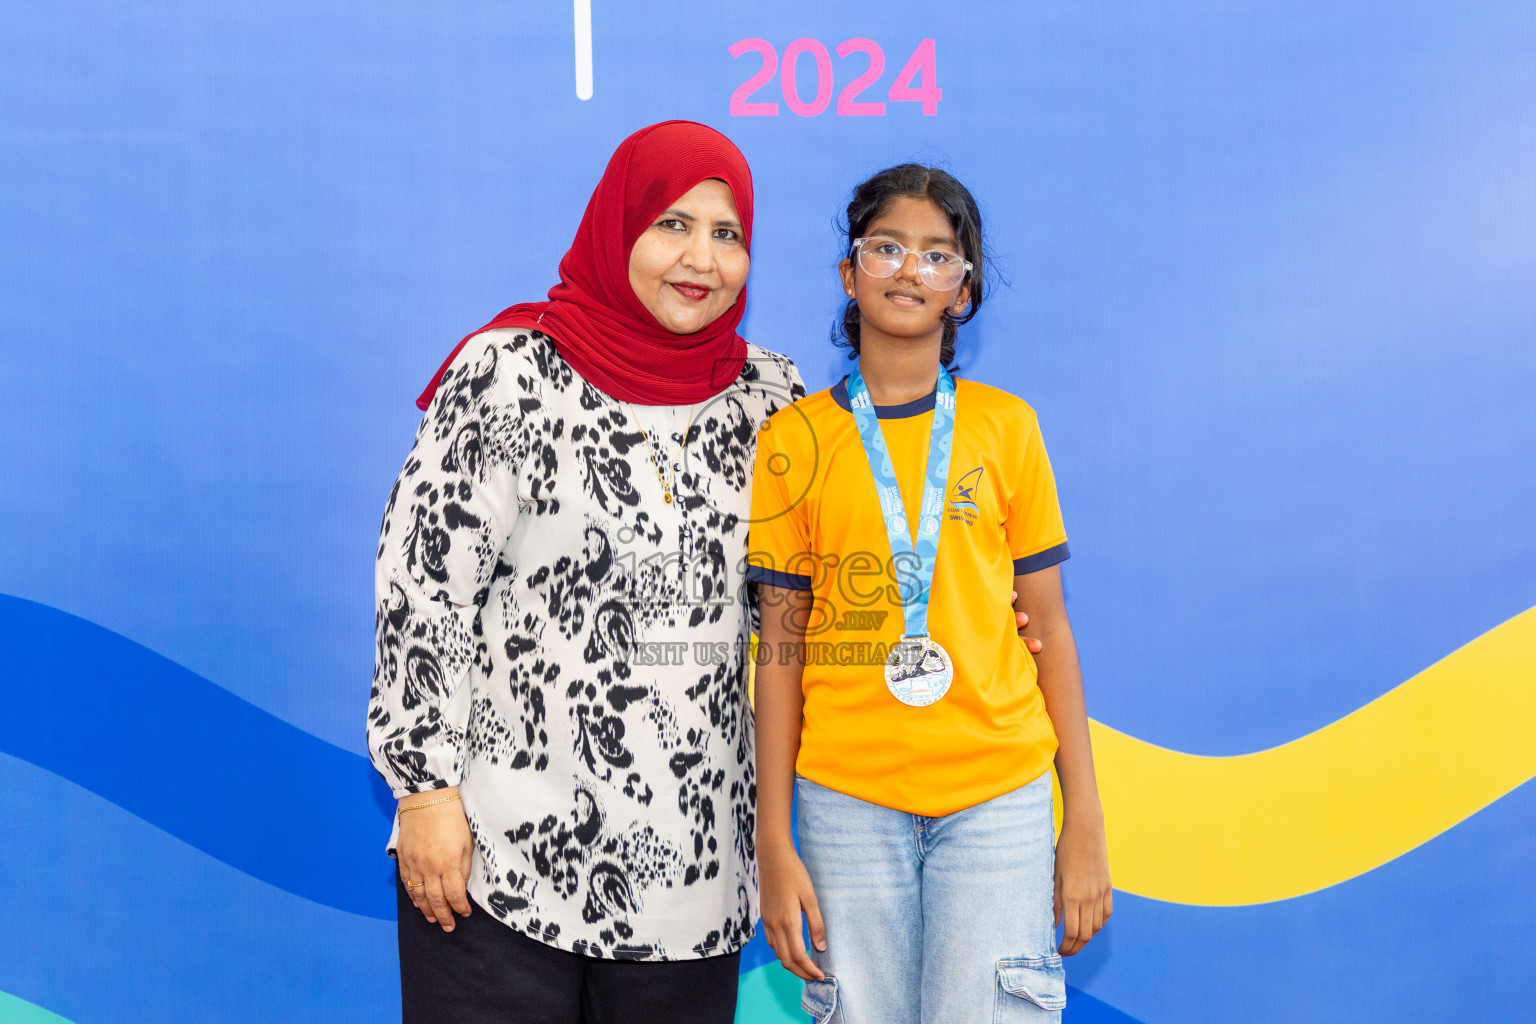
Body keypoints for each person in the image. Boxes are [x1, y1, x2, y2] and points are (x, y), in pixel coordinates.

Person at [366, 120, 805, 1024]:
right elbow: (424, 590)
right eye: (672, 224)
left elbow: (804, 608)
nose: (701, 258)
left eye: (727, 235)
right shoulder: (511, 374)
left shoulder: (775, 400)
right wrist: (424, 791)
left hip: (695, 876)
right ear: (619, 227)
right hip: (498, 863)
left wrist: (968, 614)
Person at [748, 165, 1112, 1023]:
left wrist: (1085, 820)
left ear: (964, 291)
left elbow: (1050, 634)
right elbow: (780, 650)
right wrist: (773, 837)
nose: (910, 270)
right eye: (887, 248)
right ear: (849, 273)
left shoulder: (1007, 429)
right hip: (845, 802)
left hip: (997, 796)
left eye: (938, 256)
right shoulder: (793, 440)